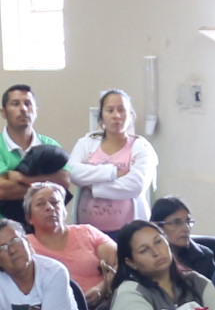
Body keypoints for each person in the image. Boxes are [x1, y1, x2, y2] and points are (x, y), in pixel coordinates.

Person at [65, 88, 156, 233]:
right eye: (110, 110)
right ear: (101, 116)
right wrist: (114, 172)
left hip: (129, 233)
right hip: (88, 232)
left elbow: (135, 186)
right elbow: (71, 171)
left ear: (131, 115)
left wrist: (93, 187)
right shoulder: (87, 143)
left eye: (121, 110)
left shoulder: (142, 147)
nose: (116, 115)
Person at [24, 180, 119, 306]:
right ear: (29, 218)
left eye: (55, 202)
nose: (49, 207)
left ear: (64, 210)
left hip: (104, 306)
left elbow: (121, 261)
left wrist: (102, 288)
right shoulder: (25, 245)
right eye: (40, 204)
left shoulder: (87, 232)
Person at [0, 83, 58, 223]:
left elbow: (64, 181)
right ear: (3, 112)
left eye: (28, 103)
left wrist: (19, 178)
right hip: (5, 228)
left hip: (47, 228)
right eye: (15, 104)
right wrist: (47, 183)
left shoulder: (51, 145)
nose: (23, 109)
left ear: (36, 111)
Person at [153, 196, 215, 277]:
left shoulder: (203, 257)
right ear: (157, 226)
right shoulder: (148, 258)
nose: (186, 229)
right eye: (177, 222)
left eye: (188, 221)